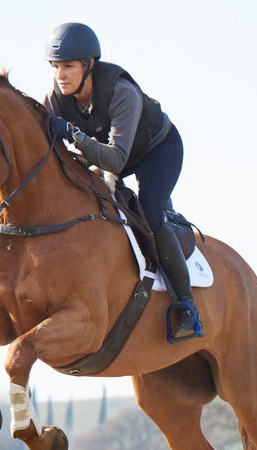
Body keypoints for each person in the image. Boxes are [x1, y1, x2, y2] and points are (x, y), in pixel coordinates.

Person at [43, 22, 204, 341]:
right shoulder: (56, 98)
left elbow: (116, 159)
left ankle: (186, 305)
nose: (61, 75)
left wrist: (74, 135)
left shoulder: (122, 92)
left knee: (150, 208)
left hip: (158, 150)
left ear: (89, 66)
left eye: (69, 66)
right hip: (111, 153)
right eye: (56, 67)